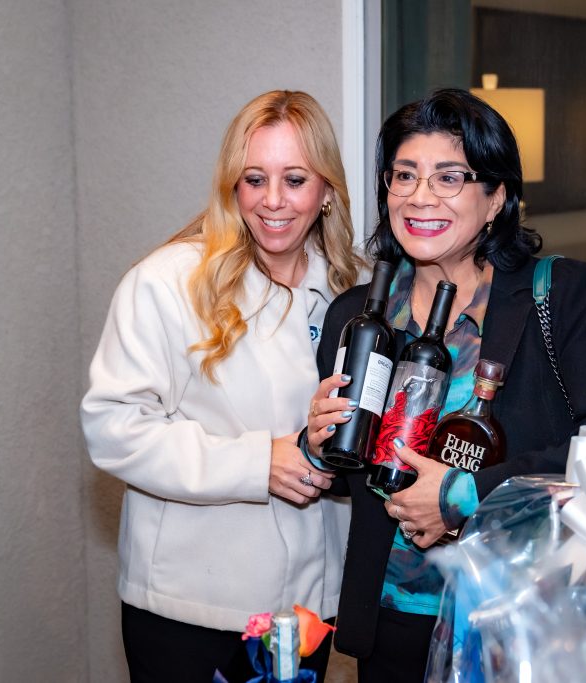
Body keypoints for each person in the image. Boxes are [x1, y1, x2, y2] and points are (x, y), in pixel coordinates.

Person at [304, 88, 586, 682]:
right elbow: (346, 479)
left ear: (496, 199)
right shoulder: (359, 316)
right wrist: (316, 443)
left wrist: (463, 495)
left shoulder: (555, 296)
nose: (419, 196)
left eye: (449, 178)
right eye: (403, 175)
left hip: (521, 617)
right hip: (393, 621)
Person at [81, 90, 363, 682]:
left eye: (295, 179)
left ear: (328, 191)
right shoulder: (167, 283)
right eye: (254, 179)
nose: (273, 200)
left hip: (308, 608)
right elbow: (113, 428)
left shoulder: (357, 292)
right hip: (191, 608)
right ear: (232, 186)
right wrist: (258, 463)